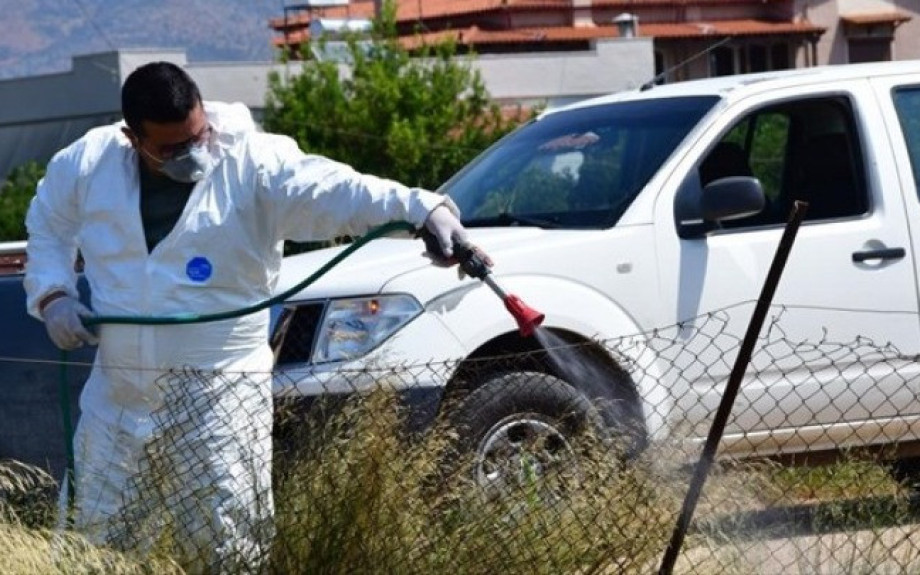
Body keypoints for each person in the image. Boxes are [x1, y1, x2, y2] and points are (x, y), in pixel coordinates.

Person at [24, 61, 481, 571]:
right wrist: (53, 295)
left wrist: (422, 210)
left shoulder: (253, 163)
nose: (192, 154)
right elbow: (48, 226)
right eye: (172, 149)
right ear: (133, 138)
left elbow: (336, 190)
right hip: (118, 391)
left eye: (198, 137)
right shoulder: (87, 165)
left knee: (226, 537)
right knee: (96, 536)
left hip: (218, 392)